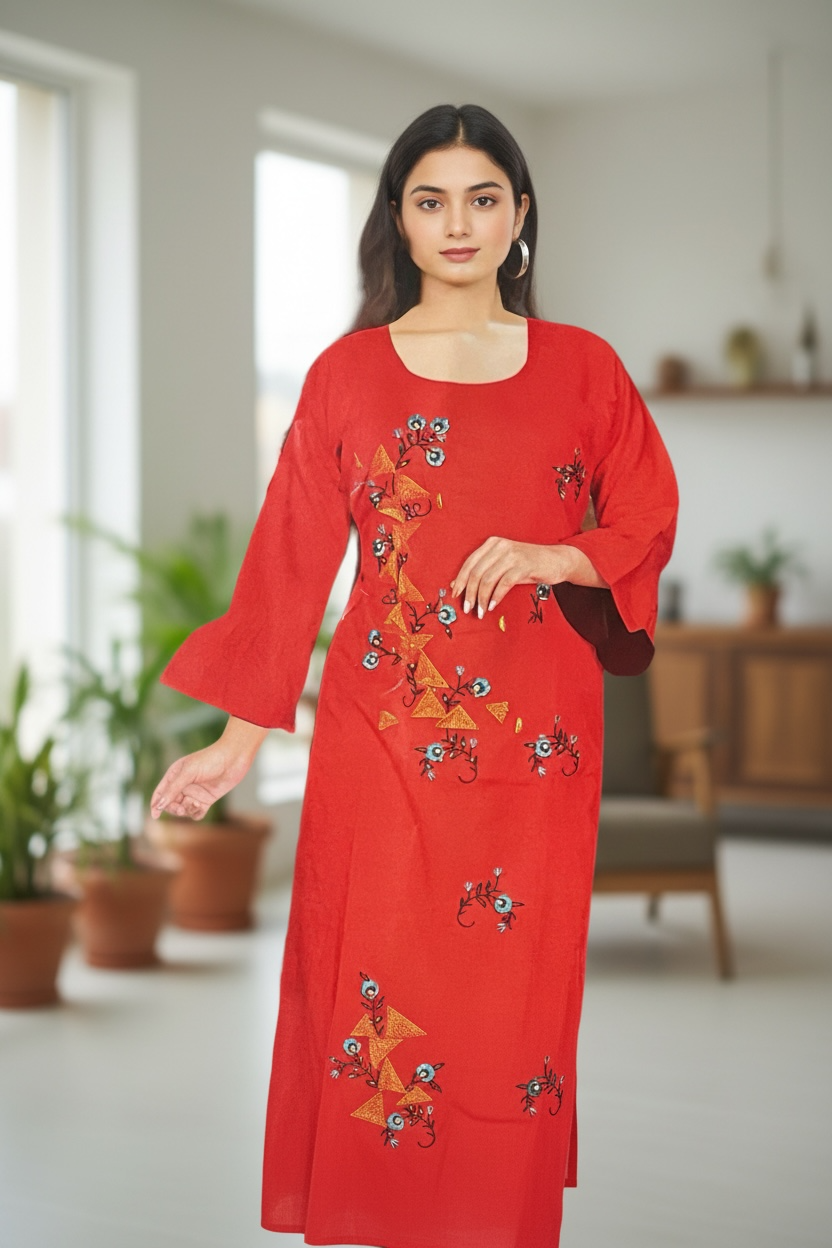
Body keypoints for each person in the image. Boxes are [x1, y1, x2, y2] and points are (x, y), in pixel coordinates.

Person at [150, 102, 678, 1248]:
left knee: (508, 1014)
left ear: (519, 213)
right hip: (380, 740)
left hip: (537, 745)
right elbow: (289, 562)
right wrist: (236, 743)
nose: (458, 223)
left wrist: (554, 555)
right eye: (431, 200)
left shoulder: (584, 370)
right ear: (398, 216)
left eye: (482, 198)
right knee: (377, 996)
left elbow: (644, 511)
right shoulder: (345, 376)